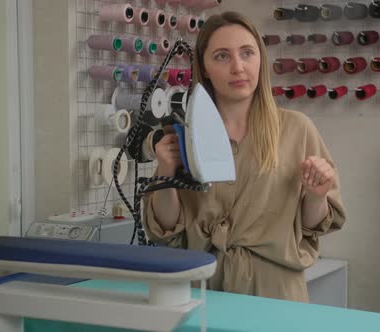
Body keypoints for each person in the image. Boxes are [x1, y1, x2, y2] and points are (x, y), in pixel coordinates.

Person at [142, 11, 346, 302]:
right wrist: (166, 171)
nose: (238, 67)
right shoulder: (187, 134)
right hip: (202, 290)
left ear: (260, 60)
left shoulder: (297, 129)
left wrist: (317, 195)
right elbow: (165, 231)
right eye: (222, 56)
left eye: (247, 53)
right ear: (205, 67)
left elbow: (314, 226)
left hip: (276, 294)